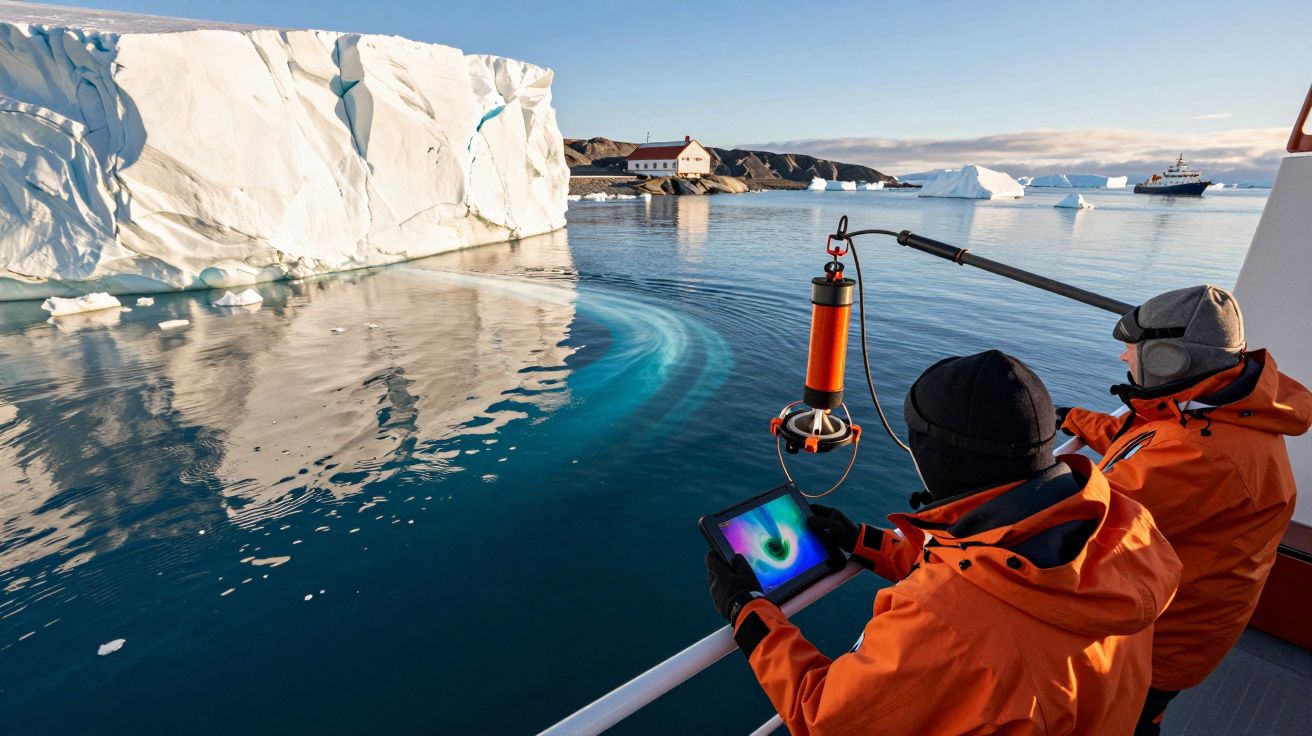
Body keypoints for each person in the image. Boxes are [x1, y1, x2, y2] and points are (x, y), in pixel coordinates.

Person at [706, 350, 1181, 735]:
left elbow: (823, 715)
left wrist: (748, 612)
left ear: (935, 456)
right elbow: (999, 572)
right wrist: (865, 542)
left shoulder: (943, 621)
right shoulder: (1124, 526)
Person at [1057, 284, 1312, 734]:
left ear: (1167, 360)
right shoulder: (1214, 412)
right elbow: (1140, 440)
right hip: (1183, 620)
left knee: (1122, 719)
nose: (1123, 360)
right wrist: (1070, 419)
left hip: (1164, 640)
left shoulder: (1205, 456)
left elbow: (1078, 522)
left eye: (1132, 350)